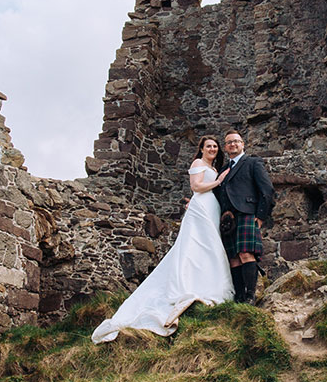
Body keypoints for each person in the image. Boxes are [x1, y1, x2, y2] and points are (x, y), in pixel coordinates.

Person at [91, 137, 234, 342]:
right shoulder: (198, 163)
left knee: (210, 244)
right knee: (195, 244)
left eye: (214, 146)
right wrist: (218, 181)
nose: (212, 149)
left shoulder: (213, 166)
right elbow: (196, 187)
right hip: (201, 206)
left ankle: (207, 281)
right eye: (208, 146)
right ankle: (187, 283)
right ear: (201, 148)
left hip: (211, 206)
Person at [215, 129, 274, 304]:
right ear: (225, 147)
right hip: (228, 219)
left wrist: (261, 215)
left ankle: (250, 295)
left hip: (246, 213)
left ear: (243, 144)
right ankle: (239, 296)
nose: (233, 144)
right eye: (229, 142)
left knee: (246, 254)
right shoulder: (224, 169)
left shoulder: (253, 162)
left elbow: (267, 190)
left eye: (236, 141)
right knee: (233, 257)